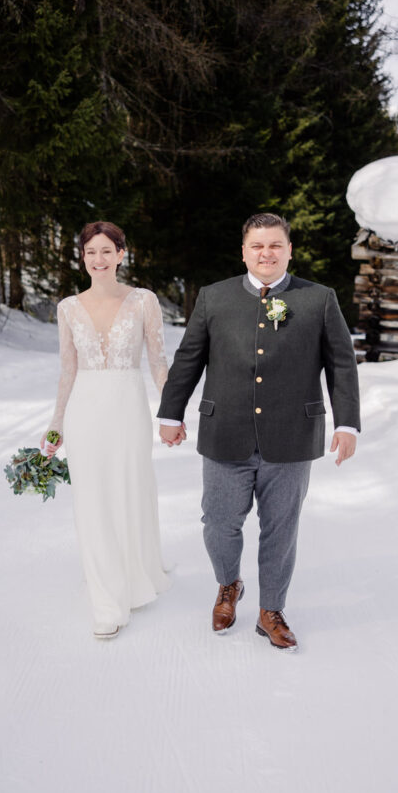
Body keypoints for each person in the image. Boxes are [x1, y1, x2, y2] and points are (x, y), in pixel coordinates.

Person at [158, 213, 360, 651]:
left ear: (289, 250)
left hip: (293, 435)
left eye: (274, 245)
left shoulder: (319, 299)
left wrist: (346, 423)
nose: (266, 253)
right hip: (224, 432)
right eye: (257, 246)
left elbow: (342, 364)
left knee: (281, 529)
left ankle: (271, 610)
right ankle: (228, 584)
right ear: (244, 252)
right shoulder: (214, 297)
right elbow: (189, 358)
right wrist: (171, 413)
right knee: (219, 524)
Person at [43, 221, 171, 639]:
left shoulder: (143, 301)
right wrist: (56, 424)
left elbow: (157, 361)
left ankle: (137, 573)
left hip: (128, 408)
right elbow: (68, 370)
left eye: (106, 251)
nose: (98, 259)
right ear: (82, 258)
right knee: (91, 501)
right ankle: (106, 601)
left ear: (121, 255)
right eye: (90, 252)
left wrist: (171, 411)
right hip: (84, 411)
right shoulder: (68, 307)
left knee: (129, 490)